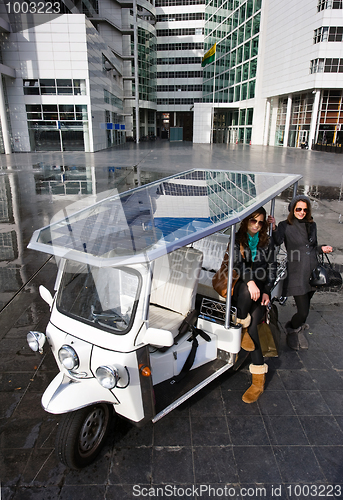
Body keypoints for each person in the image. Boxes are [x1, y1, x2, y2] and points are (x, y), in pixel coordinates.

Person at [214, 207, 276, 403]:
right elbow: (236, 264)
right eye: (253, 221)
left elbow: (271, 267)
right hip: (240, 287)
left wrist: (266, 290)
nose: (256, 225)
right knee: (246, 290)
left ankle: (258, 381)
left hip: (259, 290)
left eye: (260, 222)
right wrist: (250, 281)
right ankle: (243, 328)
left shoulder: (267, 242)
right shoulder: (237, 238)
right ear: (246, 221)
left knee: (255, 329)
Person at [268, 195, 332, 350]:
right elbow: (276, 241)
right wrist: (275, 227)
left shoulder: (312, 225)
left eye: (305, 209)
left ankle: (297, 331)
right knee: (302, 312)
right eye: (298, 209)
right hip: (297, 272)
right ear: (292, 209)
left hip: (312, 271)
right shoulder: (285, 225)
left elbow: (310, 247)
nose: (302, 212)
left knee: (306, 307)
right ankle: (292, 329)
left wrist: (321, 248)